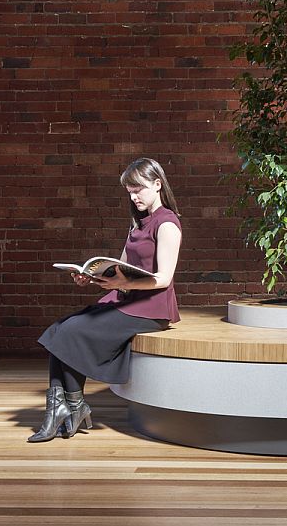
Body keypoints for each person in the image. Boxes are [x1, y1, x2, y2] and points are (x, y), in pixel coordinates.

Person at [29, 157, 182, 442]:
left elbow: (164, 278)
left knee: (74, 331)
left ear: (158, 185)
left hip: (151, 308)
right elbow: (121, 269)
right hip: (127, 299)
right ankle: (68, 407)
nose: (134, 196)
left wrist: (123, 282)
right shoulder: (137, 225)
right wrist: (92, 277)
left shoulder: (167, 224)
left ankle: (70, 409)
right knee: (62, 328)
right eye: (130, 191)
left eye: (139, 190)